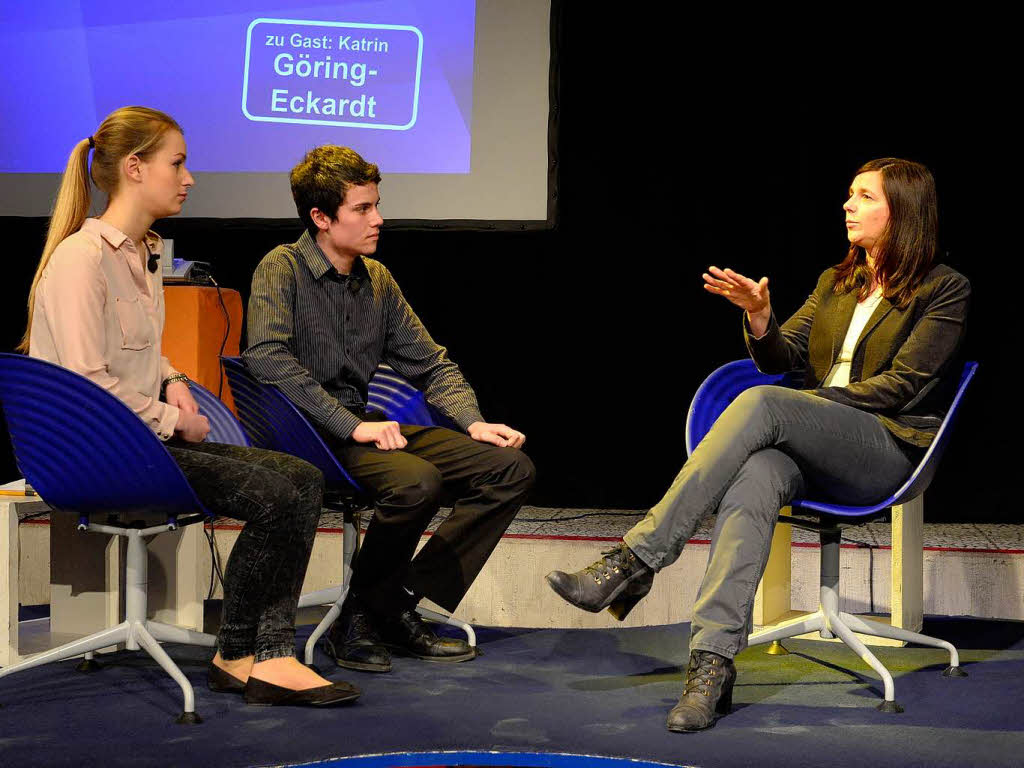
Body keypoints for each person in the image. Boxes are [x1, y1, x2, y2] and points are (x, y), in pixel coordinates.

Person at [546, 157, 970, 732]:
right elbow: (784, 359)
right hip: (817, 444)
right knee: (758, 472)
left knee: (764, 405)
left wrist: (808, 408)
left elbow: (903, 387)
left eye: (864, 197)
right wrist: (761, 318)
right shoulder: (836, 281)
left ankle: (635, 559)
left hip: (885, 449)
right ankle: (712, 665)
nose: (847, 205)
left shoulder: (944, 289)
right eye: (849, 193)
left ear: (905, 211)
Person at [21, 106, 358, 708]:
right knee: (277, 494)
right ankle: (270, 656)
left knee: (301, 478)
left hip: (137, 442)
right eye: (177, 163)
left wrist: (173, 375)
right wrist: (177, 419)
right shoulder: (80, 260)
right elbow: (85, 384)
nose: (189, 177)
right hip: (102, 456)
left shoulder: (144, 254)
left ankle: (239, 653)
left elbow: (132, 351)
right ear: (133, 167)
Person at [244, 145, 535, 673]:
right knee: (415, 480)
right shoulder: (280, 268)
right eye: (362, 209)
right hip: (309, 435)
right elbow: (266, 359)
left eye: (376, 205)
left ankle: (381, 605)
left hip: (363, 428)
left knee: (508, 467)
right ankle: (372, 616)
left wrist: (472, 420)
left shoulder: (377, 281)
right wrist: (352, 427)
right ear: (321, 218)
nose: (378, 219)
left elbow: (431, 364)